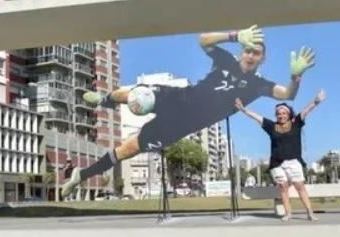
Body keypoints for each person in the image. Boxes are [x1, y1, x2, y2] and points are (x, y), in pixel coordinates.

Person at [61, 24, 316, 198]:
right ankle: (105, 100)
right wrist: (235, 35)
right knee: (138, 95)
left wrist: (295, 76)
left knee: (128, 149)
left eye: (256, 53)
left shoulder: (258, 85)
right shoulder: (226, 59)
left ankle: (80, 175)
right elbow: (203, 40)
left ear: (262, 59)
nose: (250, 55)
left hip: (182, 126)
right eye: (248, 50)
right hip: (179, 98)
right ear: (242, 50)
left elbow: (288, 95)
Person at [235, 90, 325, 221]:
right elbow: (257, 117)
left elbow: (306, 111)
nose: (281, 116)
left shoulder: (296, 123)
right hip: (277, 163)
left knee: (299, 186)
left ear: (288, 114)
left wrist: (316, 101)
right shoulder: (272, 126)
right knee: (283, 187)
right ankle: (288, 213)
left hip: (294, 161)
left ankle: (310, 212)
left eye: (283, 113)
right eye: (278, 114)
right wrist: (243, 109)